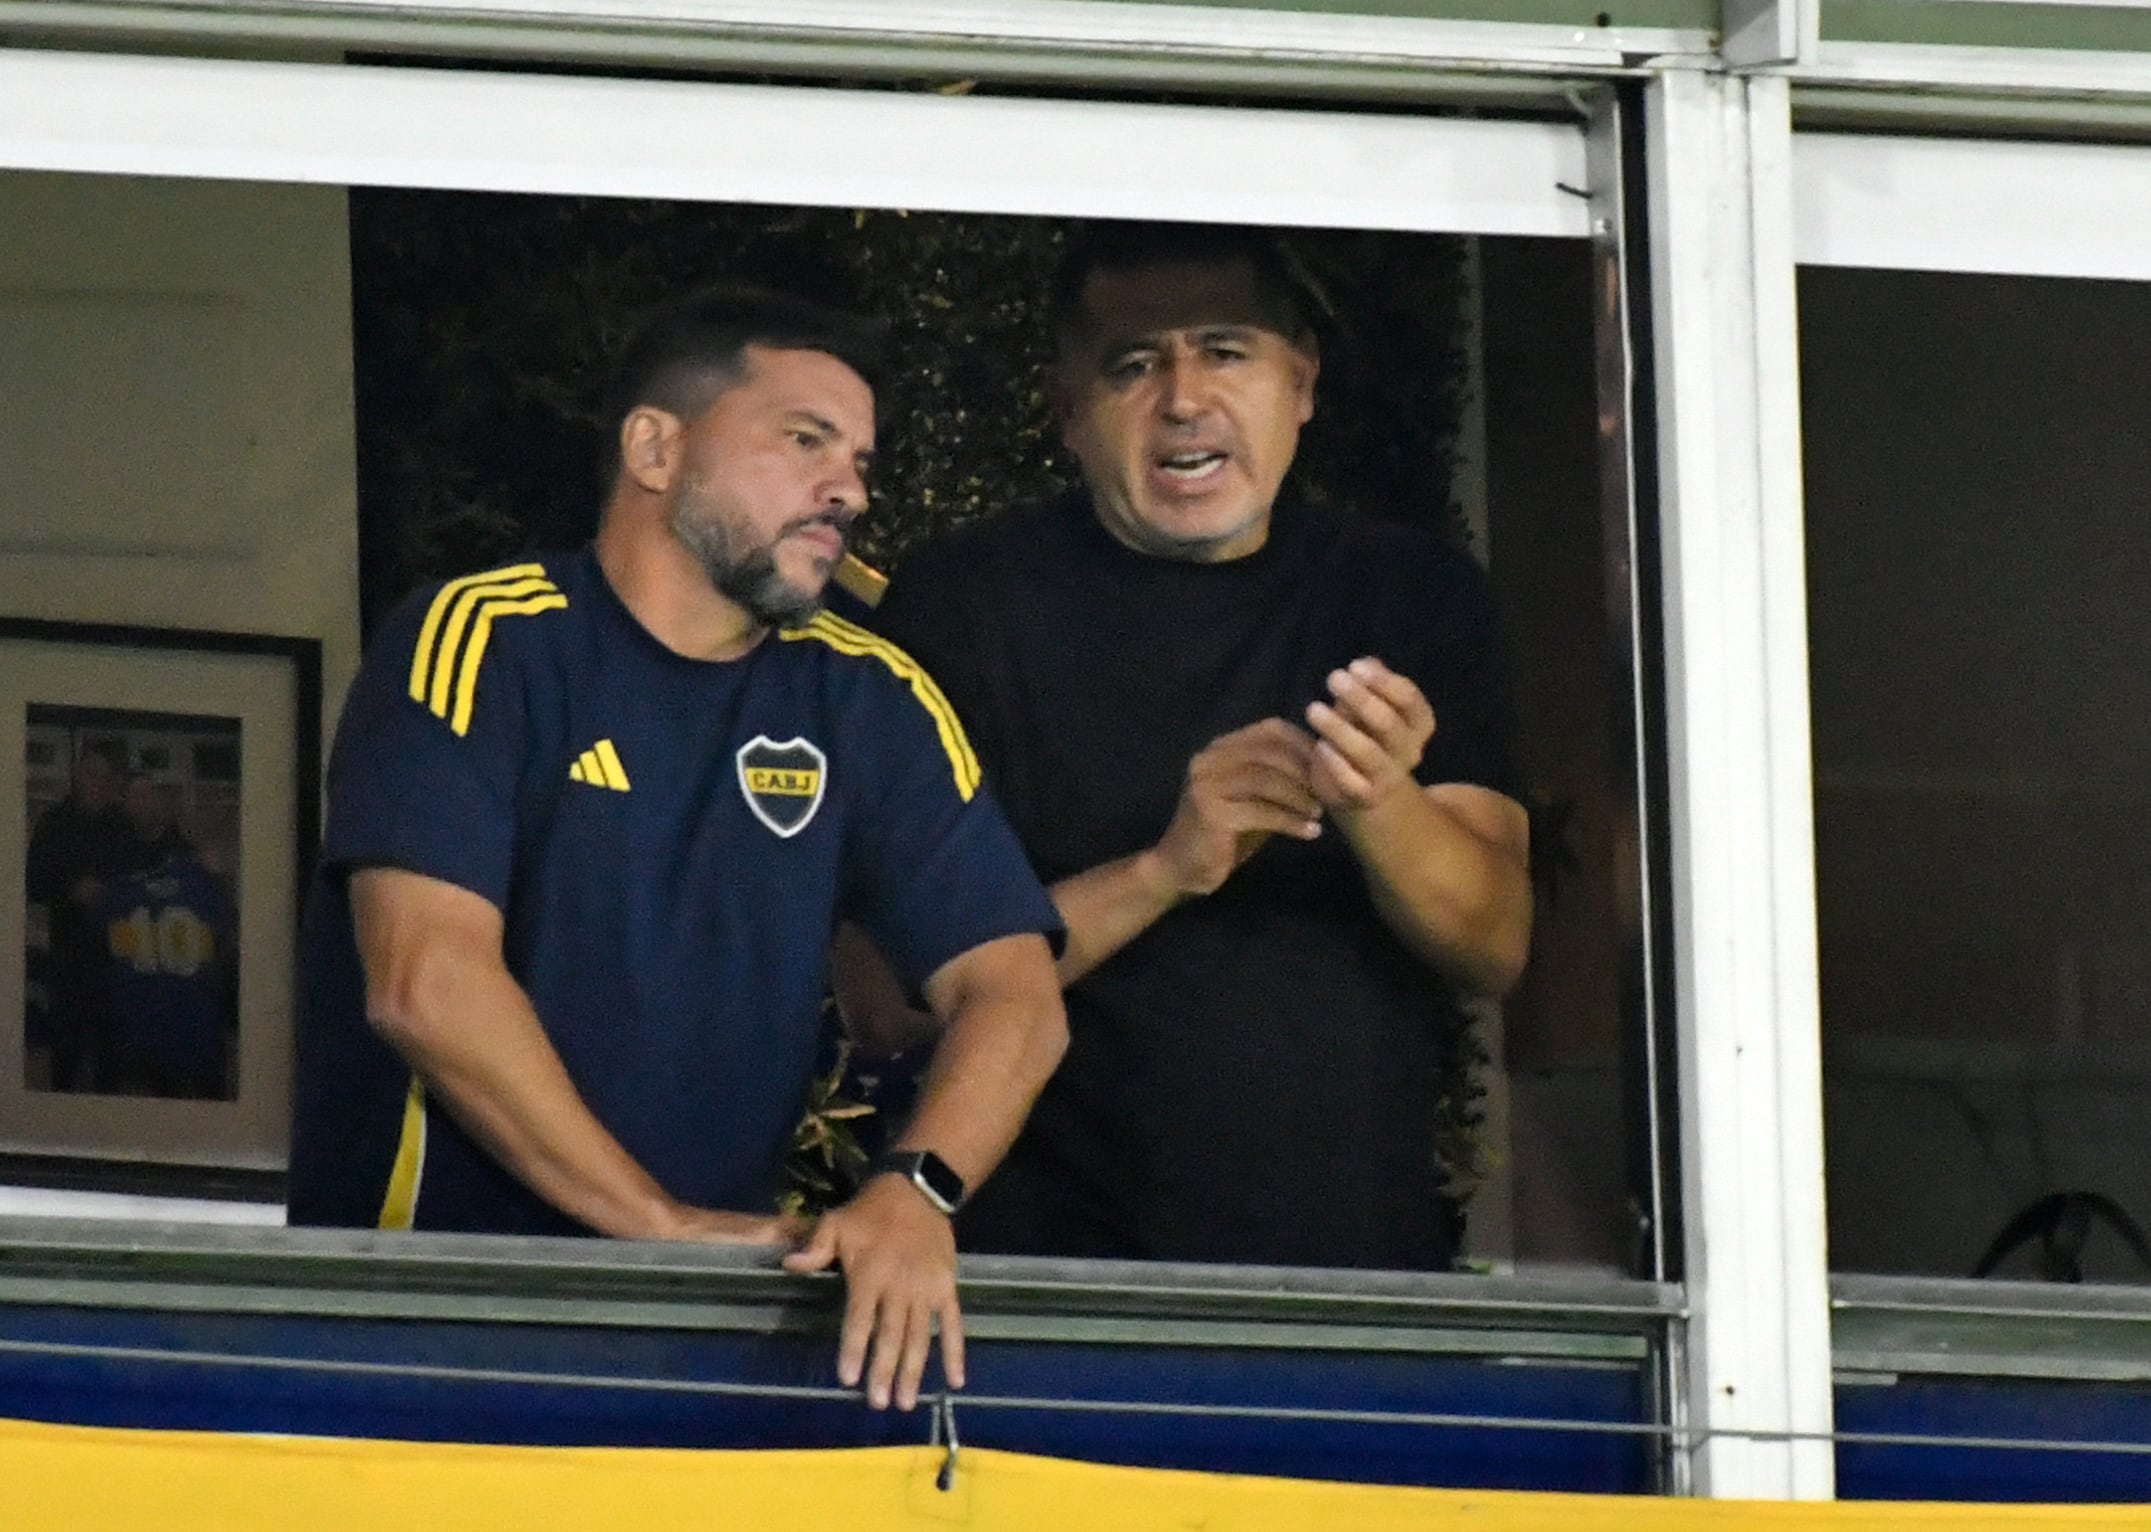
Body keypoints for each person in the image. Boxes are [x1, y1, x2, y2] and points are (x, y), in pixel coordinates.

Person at [289, 285, 1068, 1413]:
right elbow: (424, 982)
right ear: (655, 447)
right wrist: (659, 1228)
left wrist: (915, 1189)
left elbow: (1016, 992)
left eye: (857, 459)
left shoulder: (868, 695)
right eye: (805, 440)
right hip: (431, 1330)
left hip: (708, 1344)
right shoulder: (486, 638)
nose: (847, 487)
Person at [864, 222, 1533, 1271]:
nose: (1183, 398)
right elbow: (884, 997)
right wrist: (1164, 869)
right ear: (1068, 412)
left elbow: (1493, 942)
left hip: (1360, 1281)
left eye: (1225, 349)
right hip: (1040, 1289)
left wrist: (1378, 799)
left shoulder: (1407, 590)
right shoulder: (967, 603)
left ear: (1301, 384)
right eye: (1133, 364)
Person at [91, 775, 236, 1100]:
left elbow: (227, 923)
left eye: (149, 794)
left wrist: (217, 878)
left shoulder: (191, 858)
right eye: (135, 795)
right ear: (124, 802)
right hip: (144, 1015)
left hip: (191, 1009)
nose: (143, 802)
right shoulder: (115, 857)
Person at [24, 741, 131, 1092]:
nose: (95, 782)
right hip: (68, 955)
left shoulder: (121, 826)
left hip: (114, 957)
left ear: (111, 781)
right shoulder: (53, 823)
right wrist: (70, 889)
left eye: (103, 776)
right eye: (89, 773)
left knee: (111, 1054)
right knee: (66, 1053)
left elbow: (137, 881)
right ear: (77, 773)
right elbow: (32, 880)